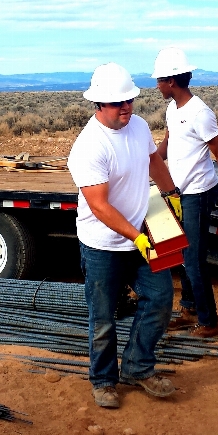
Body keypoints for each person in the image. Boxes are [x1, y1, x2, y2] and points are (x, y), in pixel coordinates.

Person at [67, 62, 182, 410]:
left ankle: (137, 367)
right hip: (104, 244)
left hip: (146, 226)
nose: (127, 107)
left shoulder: (139, 126)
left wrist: (171, 193)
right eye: (118, 103)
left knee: (161, 300)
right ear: (99, 105)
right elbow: (99, 206)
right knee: (102, 317)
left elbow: (154, 163)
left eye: (129, 100)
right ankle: (103, 381)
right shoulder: (89, 147)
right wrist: (137, 236)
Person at [152, 47, 218, 341]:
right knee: (181, 253)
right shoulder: (172, 109)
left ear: (171, 81)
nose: (156, 86)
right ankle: (190, 309)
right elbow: (168, 143)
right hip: (177, 192)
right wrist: (150, 163)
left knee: (193, 259)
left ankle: (210, 324)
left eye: (159, 81)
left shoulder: (200, 112)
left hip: (198, 193)